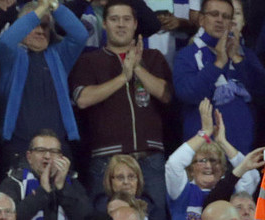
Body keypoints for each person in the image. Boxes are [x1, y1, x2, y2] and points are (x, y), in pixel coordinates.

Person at [69, 1, 173, 217]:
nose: (121, 25)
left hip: (150, 157)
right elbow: (83, 99)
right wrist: (123, 77)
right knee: (105, 215)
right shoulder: (89, 60)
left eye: (127, 19)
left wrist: (137, 68)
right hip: (106, 158)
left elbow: (165, 94)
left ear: (135, 24)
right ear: (104, 24)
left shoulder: (153, 57)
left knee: (156, 215)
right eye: (114, 19)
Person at [0, 0, 88, 163]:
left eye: (44, 26)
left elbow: (80, 35)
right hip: (20, 146)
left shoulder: (59, 55)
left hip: (57, 146)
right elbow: (6, 41)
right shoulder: (10, 57)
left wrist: (54, 6)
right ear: (22, 27)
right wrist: (41, 9)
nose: (39, 31)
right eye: (34, 25)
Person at [174, 0, 265, 154]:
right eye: (214, 14)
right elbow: (188, 94)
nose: (220, 20)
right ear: (202, 19)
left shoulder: (246, 56)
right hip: (203, 154)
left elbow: (261, 92)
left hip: (243, 151)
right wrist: (218, 64)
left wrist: (237, 58)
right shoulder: (186, 55)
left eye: (226, 16)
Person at [166, 99, 263, 220]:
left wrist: (223, 142)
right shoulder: (182, 191)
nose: (208, 166)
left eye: (214, 161)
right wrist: (204, 134)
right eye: (202, 160)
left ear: (223, 169)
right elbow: (173, 164)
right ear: (191, 169)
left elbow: (251, 176)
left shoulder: (231, 194)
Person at [0, 129, 92, 219]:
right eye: (41, 150)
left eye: (53, 151)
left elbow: (87, 217)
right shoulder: (13, 182)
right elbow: (8, 217)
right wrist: (42, 191)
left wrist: (62, 187)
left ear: (61, 157)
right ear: (29, 157)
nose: (47, 156)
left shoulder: (73, 183)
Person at [91, 155, 164, 220]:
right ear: (110, 181)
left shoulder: (153, 212)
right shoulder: (99, 213)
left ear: (138, 180)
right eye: (120, 177)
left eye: (131, 177)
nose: (126, 182)